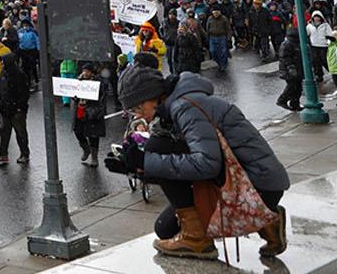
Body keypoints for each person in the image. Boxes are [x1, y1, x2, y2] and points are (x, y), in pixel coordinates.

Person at [116, 66, 290, 259]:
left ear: (154, 95)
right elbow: (184, 167)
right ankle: (268, 222)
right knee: (165, 228)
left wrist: (147, 160)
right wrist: (138, 168)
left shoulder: (185, 107)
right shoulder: (177, 105)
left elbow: (206, 164)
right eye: (133, 111)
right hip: (255, 181)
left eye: (138, 107)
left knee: (157, 147)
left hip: (256, 186)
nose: (138, 115)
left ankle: (196, 239)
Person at [0, 54, 31, 165]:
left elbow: (24, 93)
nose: (1, 64)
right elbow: (0, 91)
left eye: (3, 62)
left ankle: (24, 154)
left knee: (20, 133)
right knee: (4, 132)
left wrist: (20, 107)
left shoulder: (19, 75)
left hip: (16, 110)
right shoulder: (3, 73)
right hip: (5, 108)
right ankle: (3, 154)